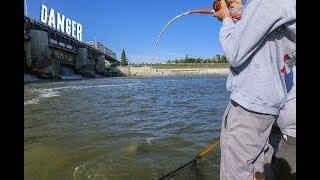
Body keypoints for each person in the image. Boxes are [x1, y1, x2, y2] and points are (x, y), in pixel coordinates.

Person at [212, 0, 296, 179]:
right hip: (270, 106)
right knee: (258, 169)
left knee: (236, 174)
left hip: (248, 106)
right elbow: (268, 34)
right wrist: (238, 10)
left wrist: (226, 18)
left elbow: (234, 52)